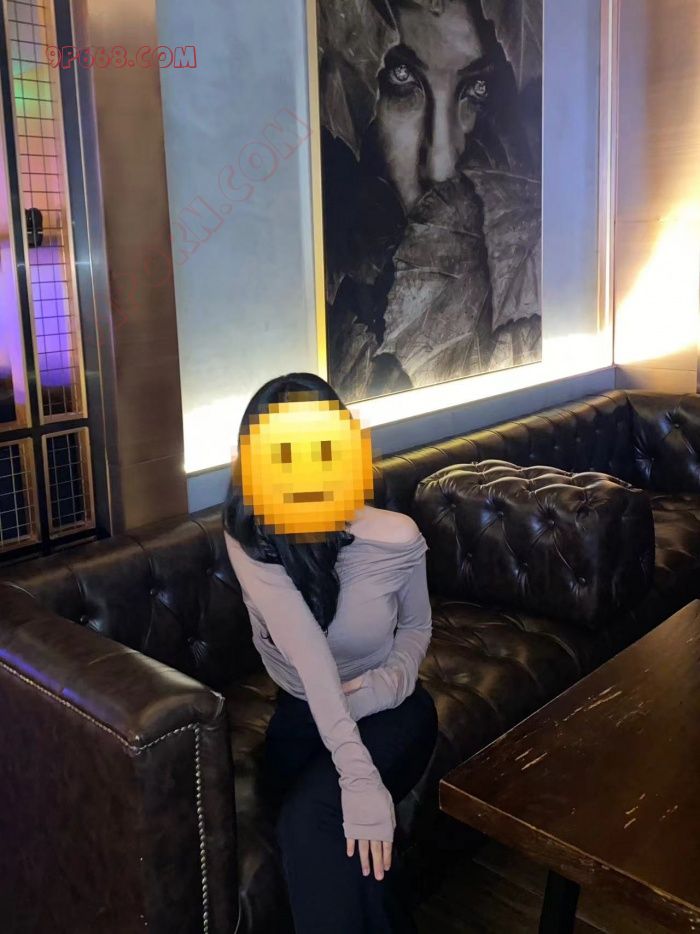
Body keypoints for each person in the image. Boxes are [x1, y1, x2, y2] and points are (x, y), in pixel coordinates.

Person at [222, 371, 438, 933]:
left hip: (390, 711)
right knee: (345, 844)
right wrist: (360, 780)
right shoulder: (252, 537)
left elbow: (417, 628)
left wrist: (386, 685)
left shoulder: (395, 536)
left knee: (309, 821)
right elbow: (309, 657)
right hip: (304, 720)